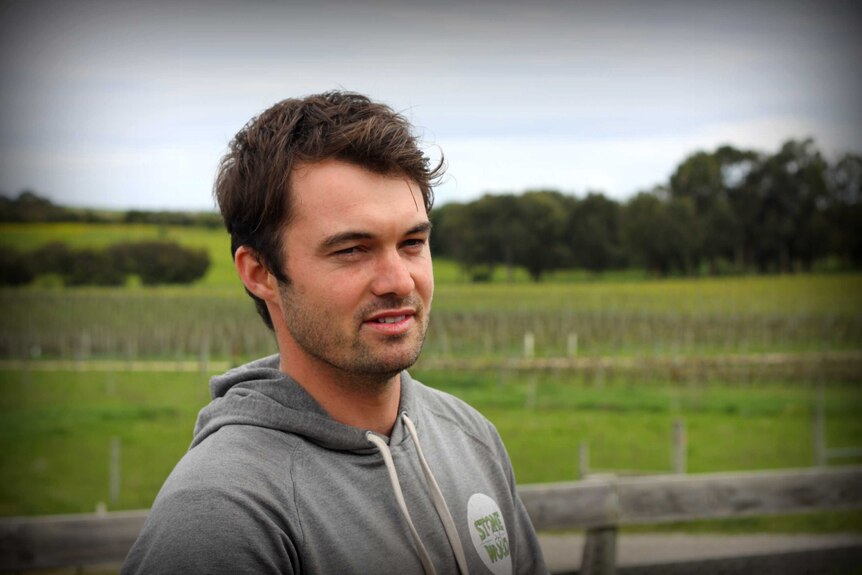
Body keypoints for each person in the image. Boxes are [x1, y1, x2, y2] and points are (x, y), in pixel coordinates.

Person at [122, 91, 548, 574]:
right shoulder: (220, 514)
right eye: (351, 250)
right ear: (260, 272)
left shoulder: (469, 437)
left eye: (412, 243)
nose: (399, 281)